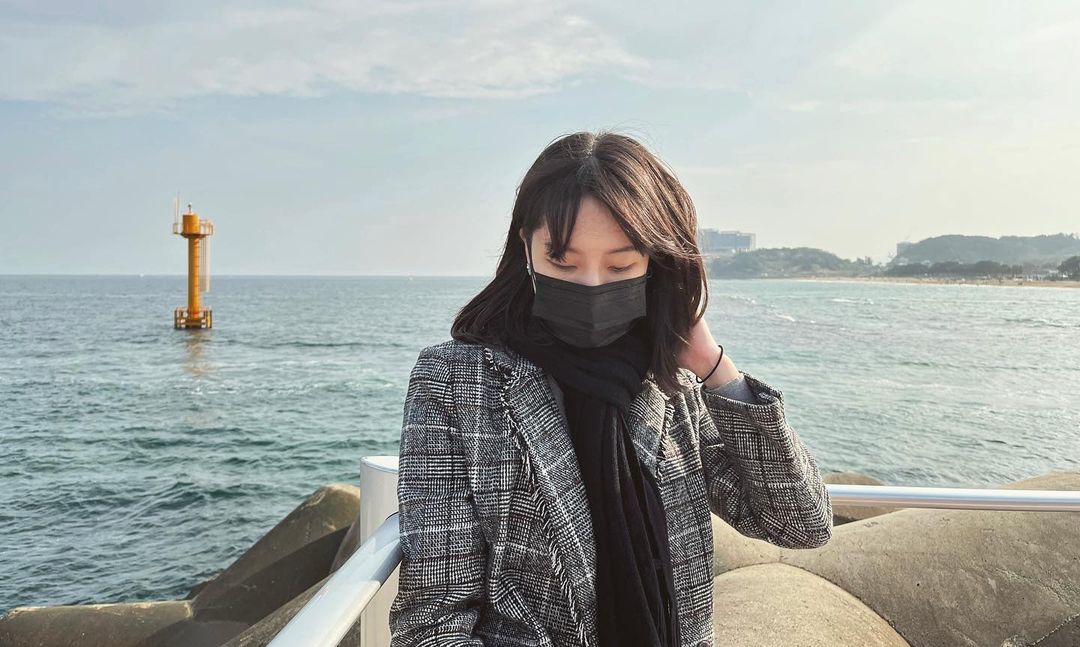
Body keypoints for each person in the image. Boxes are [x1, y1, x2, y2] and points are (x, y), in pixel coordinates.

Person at [388, 130, 833, 647]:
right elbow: (433, 622)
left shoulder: (670, 385)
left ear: (655, 263)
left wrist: (715, 368)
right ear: (526, 248)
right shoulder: (459, 381)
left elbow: (800, 523)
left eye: (620, 265)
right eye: (562, 261)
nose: (592, 285)